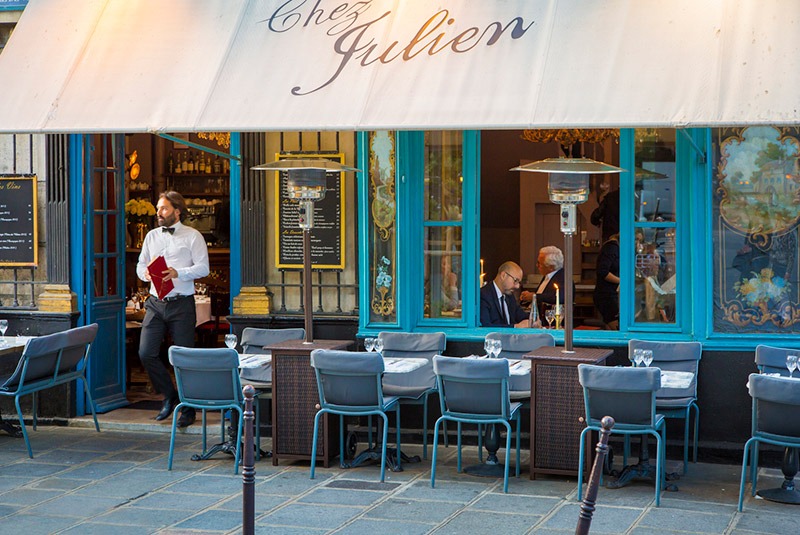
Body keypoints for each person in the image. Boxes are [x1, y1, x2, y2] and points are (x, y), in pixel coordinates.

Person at [137, 191, 209, 428]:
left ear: (177, 211)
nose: (159, 213)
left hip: (181, 304)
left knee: (183, 357)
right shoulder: (151, 236)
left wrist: (179, 273)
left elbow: (203, 268)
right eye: (158, 208)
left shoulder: (193, 236)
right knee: (146, 352)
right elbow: (140, 263)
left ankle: (188, 410)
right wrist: (144, 273)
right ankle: (170, 395)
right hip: (156, 302)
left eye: (164, 209)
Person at [521, 246, 568, 320]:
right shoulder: (548, 276)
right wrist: (528, 296)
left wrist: (534, 296)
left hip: (548, 318)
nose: (537, 266)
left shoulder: (563, 278)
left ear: (551, 267)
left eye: (539, 264)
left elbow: (558, 298)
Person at [479, 261, 529, 327]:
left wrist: (534, 320)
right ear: (503, 275)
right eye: (515, 280)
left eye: (519, 282)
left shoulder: (509, 296)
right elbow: (486, 326)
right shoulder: (484, 295)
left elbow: (521, 315)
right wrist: (515, 327)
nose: (517, 286)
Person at [593, 233, 620, 329]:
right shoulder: (611, 248)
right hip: (607, 295)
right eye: (636, 239)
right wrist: (622, 281)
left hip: (613, 294)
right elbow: (603, 271)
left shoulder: (618, 249)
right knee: (616, 327)